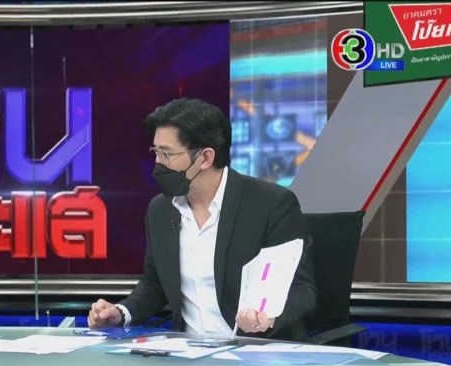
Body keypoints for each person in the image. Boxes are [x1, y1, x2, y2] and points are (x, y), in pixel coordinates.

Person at [87, 98, 317, 341]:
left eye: (166, 154)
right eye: (155, 152)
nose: (157, 163)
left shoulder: (270, 204)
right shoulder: (161, 210)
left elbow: (302, 290)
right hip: (187, 353)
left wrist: (267, 316)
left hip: (256, 349)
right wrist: (121, 313)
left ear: (205, 158)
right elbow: (155, 284)